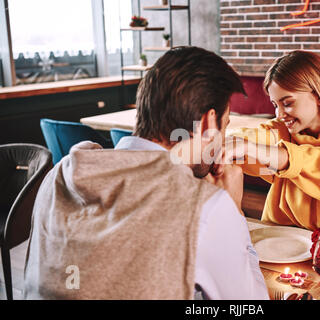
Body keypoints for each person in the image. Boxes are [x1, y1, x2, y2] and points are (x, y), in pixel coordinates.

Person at [24, 46, 269, 300]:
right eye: (224, 125)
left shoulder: (59, 174)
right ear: (207, 123)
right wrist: (233, 209)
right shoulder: (205, 208)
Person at [226, 50, 320, 230]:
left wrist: (256, 150)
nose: (280, 114)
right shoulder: (283, 130)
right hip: (276, 237)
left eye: (288, 103)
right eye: (275, 105)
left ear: (319, 96)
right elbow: (248, 138)